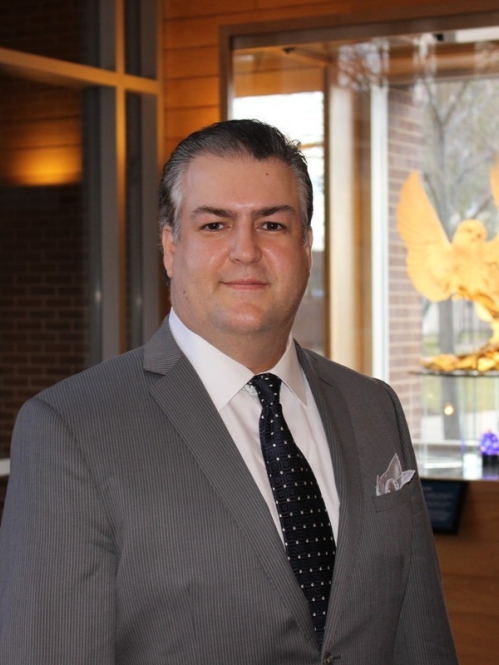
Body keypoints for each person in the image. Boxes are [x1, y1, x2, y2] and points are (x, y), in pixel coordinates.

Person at [0, 119, 458, 664]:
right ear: (171, 246)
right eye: (215, 225)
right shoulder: (70, 429)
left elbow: (421, 638)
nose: (246, 250)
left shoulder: (373, 407)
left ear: (306, 246)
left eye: (272, 225)